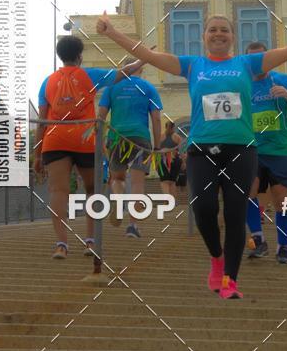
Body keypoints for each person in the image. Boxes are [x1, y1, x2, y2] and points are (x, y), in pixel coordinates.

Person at [96, 9, 287, 299]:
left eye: (224, 30)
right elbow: (148, 56)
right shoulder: (192, 65)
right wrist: (111, 33)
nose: (218, 34)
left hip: (242, 149)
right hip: (202, 148)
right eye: (212, 29)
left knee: (236, 214)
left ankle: (230, 280)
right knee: (203, 209)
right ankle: (216, 257)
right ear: (204, 37)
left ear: (232, 37)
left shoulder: (247, 64)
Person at [34, 36, 124, 259]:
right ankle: (91, 241)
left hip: (54, 139)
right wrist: (141, 61)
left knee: (58, 191)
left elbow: (42, 121)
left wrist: (37, 154)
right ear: (80, 56)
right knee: (93, 190)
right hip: (84, 139)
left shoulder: (48, 81)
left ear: (60, 56)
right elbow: (123, 73)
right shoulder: (89, 75)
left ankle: (61, 244)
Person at [245, 43, 287, 263]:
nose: (257, 64)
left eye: (261, 58)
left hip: (279, 149)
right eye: (252, 60)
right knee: (247, 191)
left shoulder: (281, 80)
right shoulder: (240, 84)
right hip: (251, 148)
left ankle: (283, 246)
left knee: (282, 199)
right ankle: (258, 239)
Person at [97, 60, 162, 239]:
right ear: (140, 69)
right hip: (140, 137)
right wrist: (157, 145)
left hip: (117, 137)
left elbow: (100, 117)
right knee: (137, 183)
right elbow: (156, 118)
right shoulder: (148, 87)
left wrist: (100, 140)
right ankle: (133, 226)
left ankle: (118, 200)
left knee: (117, 177)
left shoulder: (111, 87)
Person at [158, 121, 182, 198]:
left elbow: (181, 152)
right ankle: (170, 201)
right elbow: (157, 151)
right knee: (169, 182)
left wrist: (183, 162)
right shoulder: (176, 137)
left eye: (170, 127)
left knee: (168, 182)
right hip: (165, 160)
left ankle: (170, 201)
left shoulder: (176, 137)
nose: (169, 129)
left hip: (173, 160)